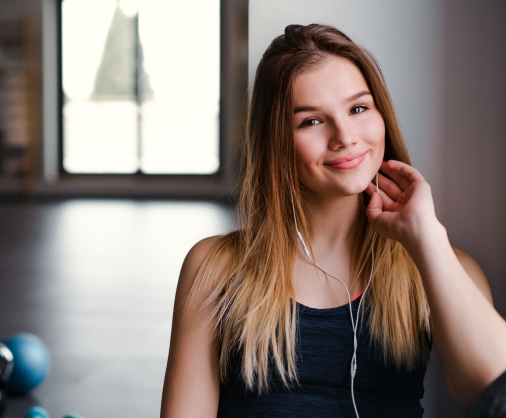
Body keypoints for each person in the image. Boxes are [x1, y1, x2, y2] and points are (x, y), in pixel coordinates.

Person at [160, 24, 506, 417]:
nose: (344, 136)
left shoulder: (442, 266)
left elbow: (493, 386)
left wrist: (427, 237)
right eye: (312, 121)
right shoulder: (215, 268)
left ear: (382, 116)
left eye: (358, 108)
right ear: (277, 142)